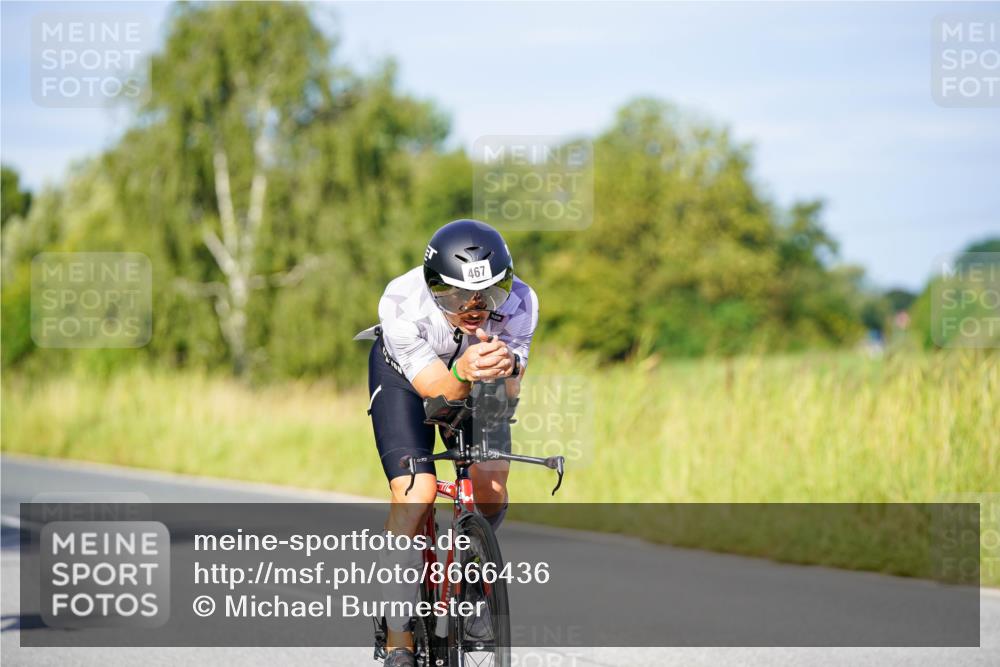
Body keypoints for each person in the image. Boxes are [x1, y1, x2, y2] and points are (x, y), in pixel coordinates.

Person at [355, 219, 539, 667]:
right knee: (416, 494)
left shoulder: (522, 301)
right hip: (409, 379)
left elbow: (509, 395)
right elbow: (439, 394)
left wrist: (508, 366)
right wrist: (463, 371)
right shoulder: (402, 302)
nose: (475, 308)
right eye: (457, 296)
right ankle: (399, 633)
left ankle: (475, 581)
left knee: (490, 486)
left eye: (489, 295)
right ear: (435, 287)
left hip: (479, 379)